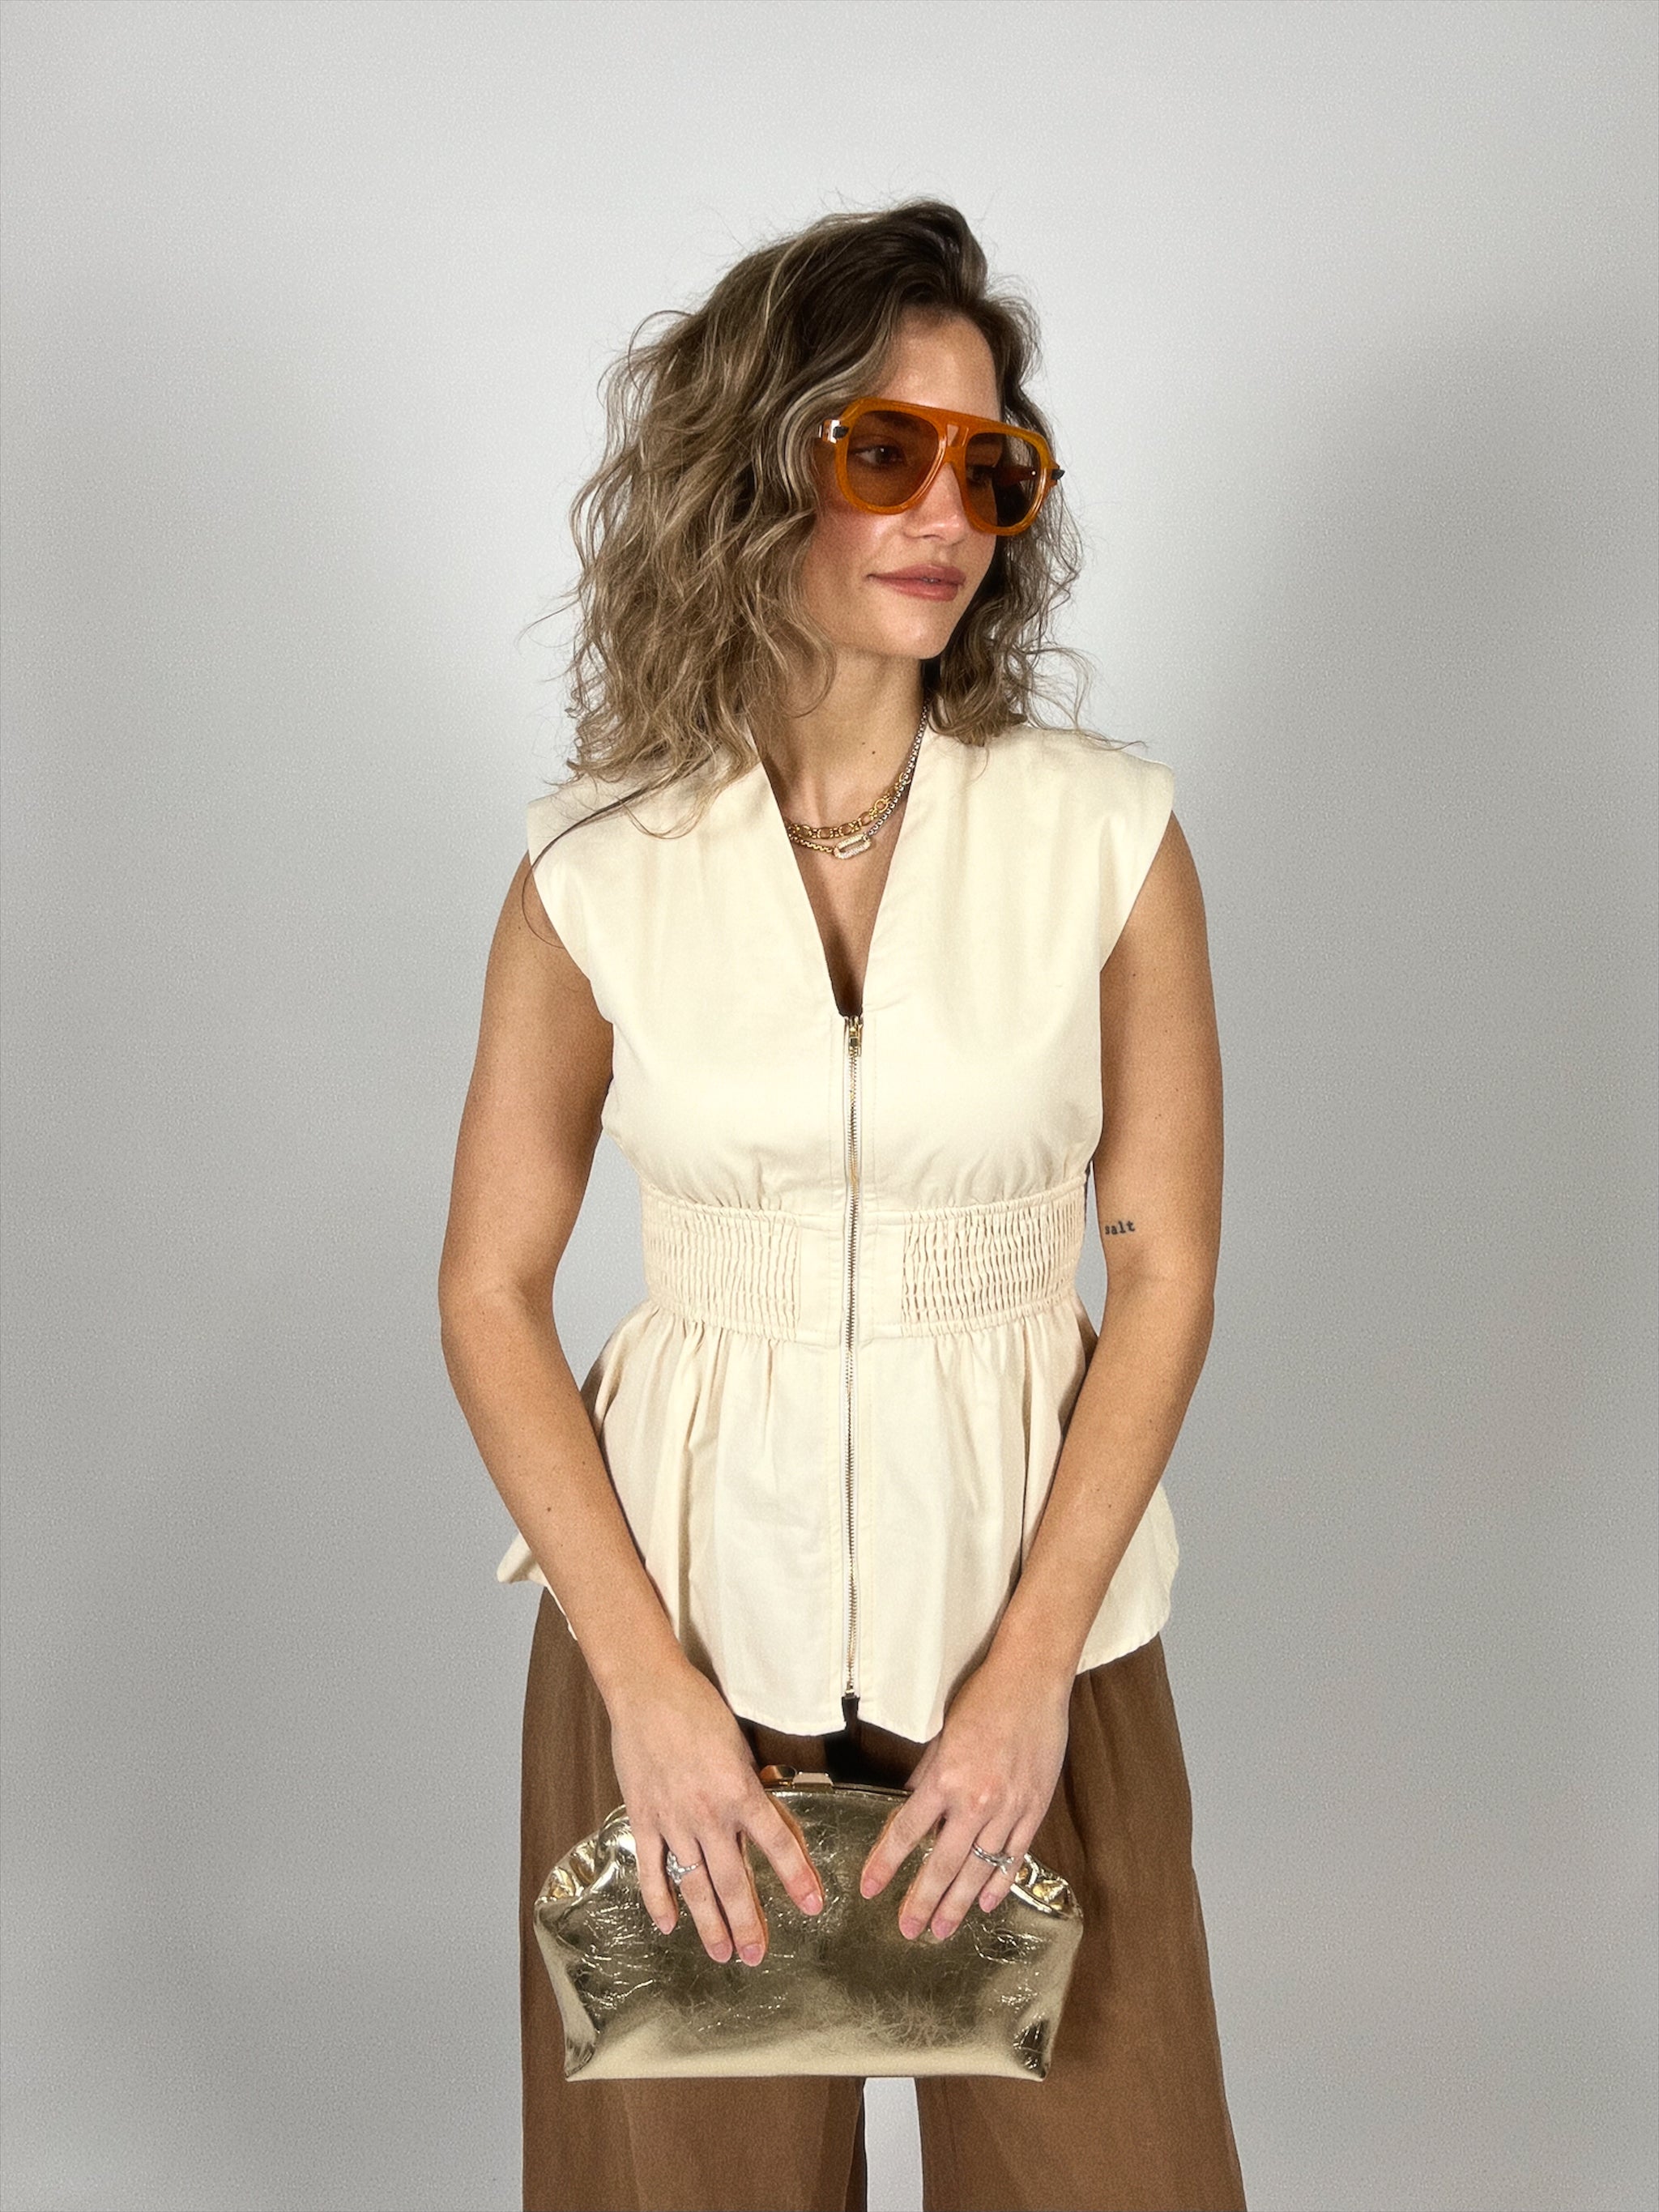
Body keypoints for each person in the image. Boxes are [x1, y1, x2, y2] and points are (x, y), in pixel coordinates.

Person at [439, 198, 1247, 2212]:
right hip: (686, 1645)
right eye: (884, 449)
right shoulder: (594, 865)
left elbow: (1160, 1266)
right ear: (755, 463)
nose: (945, 512)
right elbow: (488, 1288)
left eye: (992, 465)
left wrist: (1028, 1678)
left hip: (1038, 1631)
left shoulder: (1107, 838)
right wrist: (645, 1690)